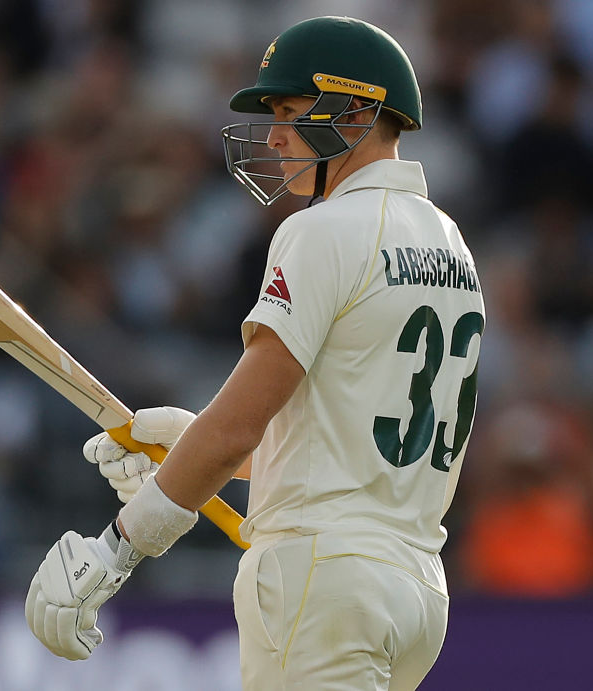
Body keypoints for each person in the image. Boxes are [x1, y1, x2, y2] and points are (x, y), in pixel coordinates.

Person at [25, 16, 486, 690]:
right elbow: (342, 440)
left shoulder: (322, 230)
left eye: (291, 112)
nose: (273, 135)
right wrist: (187, 445)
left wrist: (116, 547)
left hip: (323, 578)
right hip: (415, 588)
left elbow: (238, 427)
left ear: (357, 112)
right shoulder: (450, 243)